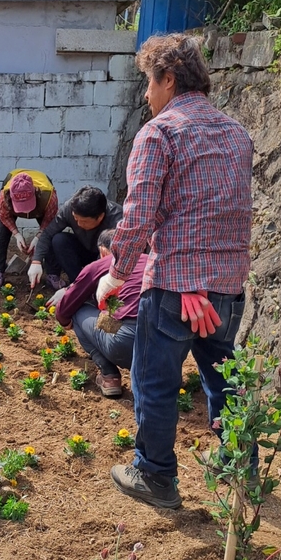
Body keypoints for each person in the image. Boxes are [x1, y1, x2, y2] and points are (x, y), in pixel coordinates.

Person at [96, 33, 253, 511]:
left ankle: (156, 476)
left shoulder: (159, 133)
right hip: (227, 289)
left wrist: (115, 272)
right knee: (223, 379)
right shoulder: (237, 133)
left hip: (170, 291)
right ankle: (239, 472)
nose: (146, 94)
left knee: (155, 383)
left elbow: (140, 214)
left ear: (168, 79)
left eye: (149, 82)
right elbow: (232, 210)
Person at [51, 229, 146, 397]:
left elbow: (64, 311)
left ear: (103, 251)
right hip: (170, 348)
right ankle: (163, 379)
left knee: (78, 308)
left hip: (127, 344)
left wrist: (66, 319)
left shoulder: (102, 264)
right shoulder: (153, 261)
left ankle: (109, 376)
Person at [29, 186, 123, 289]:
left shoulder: (118, 220)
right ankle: (76, 283)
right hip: (83, 250)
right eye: (75, 218)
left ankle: (87, 286)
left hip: (105, 258)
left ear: (100, 216)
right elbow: (48, 233)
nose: (78, 224)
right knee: (59, 239)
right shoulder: (69, 208)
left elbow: (115, 258)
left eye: (84, 221)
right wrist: (36, 261)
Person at [0, 169, 58, 289]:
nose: (26, 211)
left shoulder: (49, 197)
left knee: (51, 235)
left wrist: (38, 237)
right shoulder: (4, 198)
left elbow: (49, 221)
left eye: (27, 204)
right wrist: (16, 234)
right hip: (10, 202)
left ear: (35, 193)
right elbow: (4, 216)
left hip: (42, 202)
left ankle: (53, 274)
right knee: (1, 235)